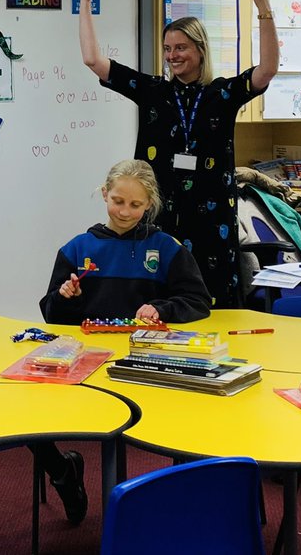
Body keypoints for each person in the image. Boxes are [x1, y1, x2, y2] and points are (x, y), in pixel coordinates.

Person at [79, 0, 278, 307]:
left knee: (213, 304)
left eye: (181, 48)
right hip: (159, 216)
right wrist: (85, 5)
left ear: (200, 49)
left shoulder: (222, 94)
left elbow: (267, 70)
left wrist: (263, 10)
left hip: (211, 220)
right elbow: (93, 60)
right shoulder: (153, 90)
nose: (173, 56)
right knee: (155, 301)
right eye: (168, 49)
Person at [34, 158, 212, 524]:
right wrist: (66, 297)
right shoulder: (77, 248)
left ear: (149, 205)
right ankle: (63, 471)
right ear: (104, 195)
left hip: (145, 363)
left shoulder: (165, 248)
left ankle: (182, 497)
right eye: (118, 201)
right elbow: (52, 314)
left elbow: (198, 302)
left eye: (135, 204)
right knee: (28, 412)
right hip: (85, 361)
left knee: (193, 416)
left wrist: (161, 307)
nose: (125, 211)